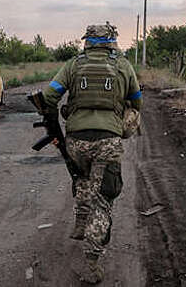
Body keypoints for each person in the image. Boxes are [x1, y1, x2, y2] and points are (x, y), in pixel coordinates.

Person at [42, 22, 142, 283]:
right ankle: (92, 261)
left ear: (87, 41)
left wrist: (55, 121)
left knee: (83, 179)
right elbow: (137, 100)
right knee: (104, 198)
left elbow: (49, 95)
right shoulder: (122, 64)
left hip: (76, 141)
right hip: (107, 141)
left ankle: (80, 223)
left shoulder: (73, 64)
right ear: (112, 41)